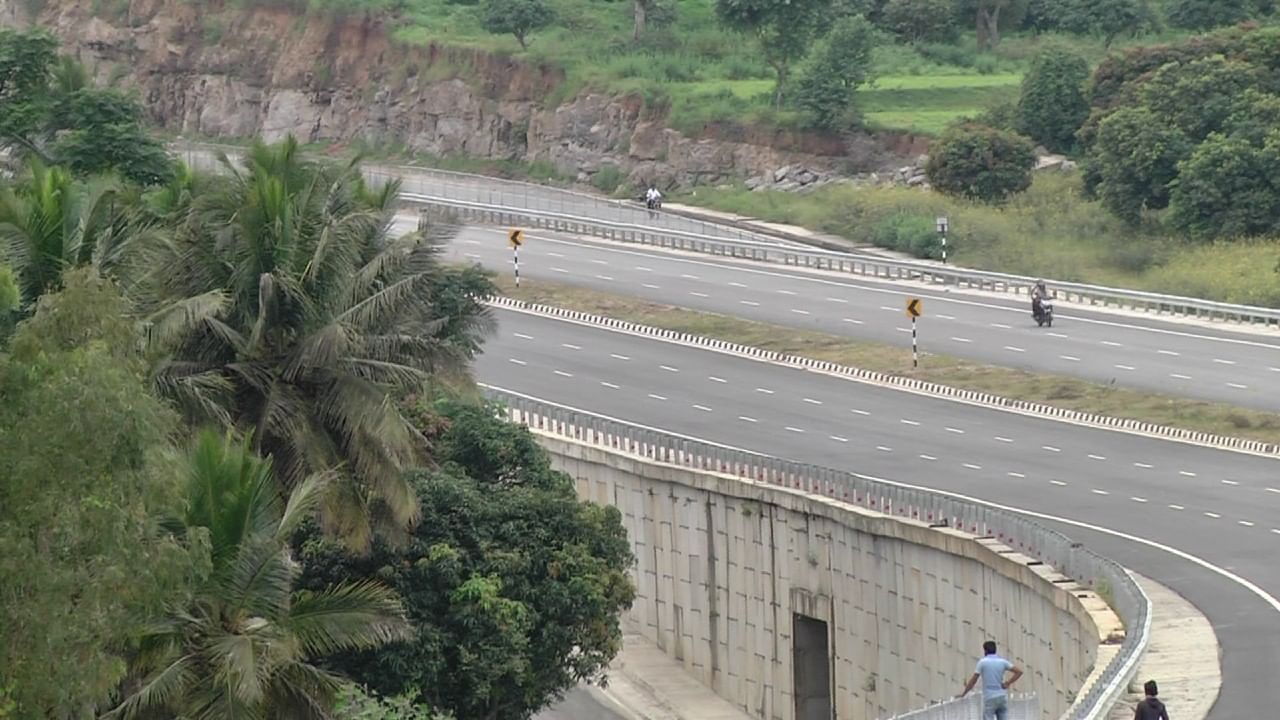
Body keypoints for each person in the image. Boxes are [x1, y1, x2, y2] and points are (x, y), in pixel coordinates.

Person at [959, 640, 1023, 720]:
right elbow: (1019, 672)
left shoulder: (982, 662)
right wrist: (1007, 683)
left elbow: (973, 680)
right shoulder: (1002, 662)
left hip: (989, 698)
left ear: (985, 650)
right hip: (1001, 697)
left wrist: (964, 693)